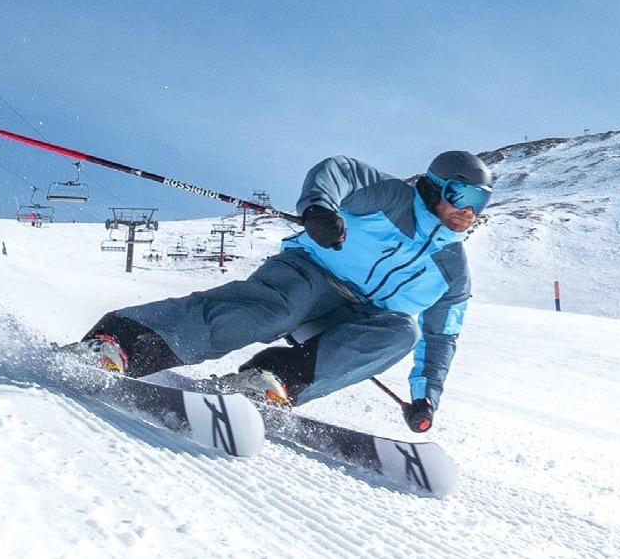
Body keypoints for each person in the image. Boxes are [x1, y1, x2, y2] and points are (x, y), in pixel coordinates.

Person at [75, 151, 492, 432]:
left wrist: (426, 398)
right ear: (434, 187)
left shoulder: (452, 271)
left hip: (353, 319)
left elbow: (443, 337)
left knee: (404, 332)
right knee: (268, 313)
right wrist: (319, 209)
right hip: (309, 274)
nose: (469, 211)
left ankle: (269, 382)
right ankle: (123, 341)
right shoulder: (390, 198)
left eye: (481, 202)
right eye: (462, 195)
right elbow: (339, 171)